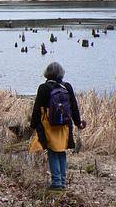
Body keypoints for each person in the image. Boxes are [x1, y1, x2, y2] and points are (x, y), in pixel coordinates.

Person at [29, 62, 87, 190]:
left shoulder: (43, 88)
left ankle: (57, 183)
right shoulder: (67, 87)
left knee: (53, 152)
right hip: (65, 126)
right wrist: (78, 123)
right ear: (61, 73)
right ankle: (62, 181)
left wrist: (33, 125)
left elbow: (37, 109)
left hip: (49, 125)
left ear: (47, 73)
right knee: (61, 152)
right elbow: (74, 108)